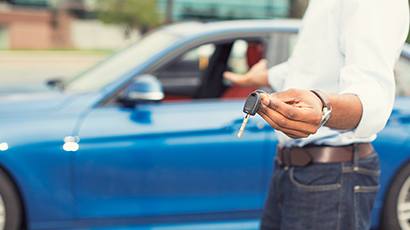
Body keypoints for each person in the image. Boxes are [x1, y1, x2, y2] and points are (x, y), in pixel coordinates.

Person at [223, 0, 410, 229]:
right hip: (289, 169)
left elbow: (373, 98)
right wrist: (263, 77)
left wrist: (323, 107)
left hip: (333, 175)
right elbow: (313, 68)